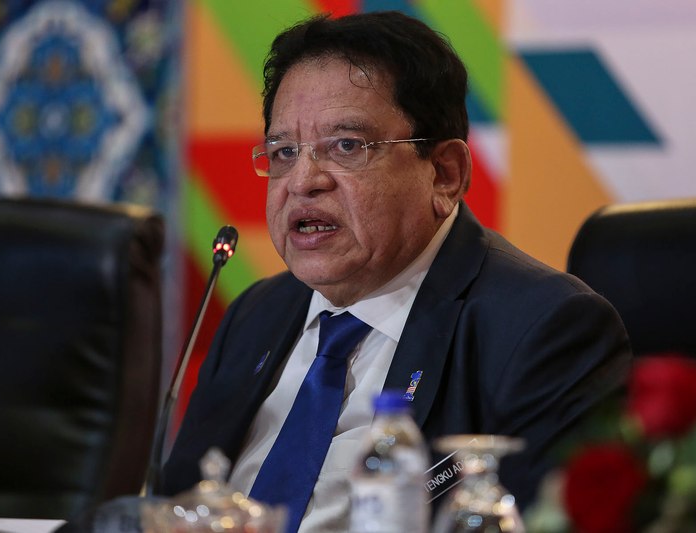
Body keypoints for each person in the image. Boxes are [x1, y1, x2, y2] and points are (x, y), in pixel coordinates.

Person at [161, 10, 631, 532]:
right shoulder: (256, 315)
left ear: (445, 174)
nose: (303, 181)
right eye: (284, 151)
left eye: (346, 146)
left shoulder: (543, 329)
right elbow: (172, 505)